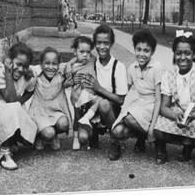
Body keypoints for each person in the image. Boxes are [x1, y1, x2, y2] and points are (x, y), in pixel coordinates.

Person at [154, 31, 195, 169]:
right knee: (158, 124)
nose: (182, 57)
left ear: (194, 54)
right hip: (179, 110)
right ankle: (174, 147)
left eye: (187, 53)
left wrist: (193, 115)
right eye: (178, 53)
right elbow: (164, 106)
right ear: (174, 54)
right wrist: (174, 115)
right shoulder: (169, 75)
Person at [77, 24, 128, 160]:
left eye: (106, 43)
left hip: (112, 109)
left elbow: (121, 99)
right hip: (93, 106)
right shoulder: (92, 63)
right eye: (99, 43)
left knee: (104, 104)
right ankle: (92, 133)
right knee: (83, 137)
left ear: (111, 44)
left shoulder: (118, 66)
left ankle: (114, 141)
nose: (102, 47)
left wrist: (99, 89)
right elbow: (74, 62)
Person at [111, 29, 163, 157]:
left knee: (129, 118)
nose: (142, 54)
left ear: (152, 52)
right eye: (139, 49)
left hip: (153, 105)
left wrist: (151, 128)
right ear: (134, 49)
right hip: (139, 103)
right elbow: (123, 92)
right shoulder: (132, 68)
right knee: (117, 131)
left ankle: (153, 138)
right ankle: (141, 136)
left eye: (146, 51)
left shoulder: (157, 67)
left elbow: (158, 99)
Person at [0, 42, 37, 170]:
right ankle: (3, 152)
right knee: (11, 108)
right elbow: (9, 99)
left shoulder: (28, 75)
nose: (21, 69)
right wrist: (7, 72)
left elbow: (30, 91)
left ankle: (13, 140)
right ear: (10, 61)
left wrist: (20, 102)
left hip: (14, 107)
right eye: (18, 64)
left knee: (17, 111)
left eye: (25, 66)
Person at [63, 36, 103, 150]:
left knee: (99, 102)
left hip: (91, 95)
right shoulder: (71, 67)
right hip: (78, 96)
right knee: (77, 116)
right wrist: (70, 67)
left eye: (88, 52)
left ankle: (91, 130)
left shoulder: (92, 60)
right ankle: (75, 137)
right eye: (81, 52)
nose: (85, 55)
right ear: (75, 51)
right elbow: (65, 83)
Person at [29, 47, 71, 150]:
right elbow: (28, 67)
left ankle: (55, 135)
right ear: (41, 64)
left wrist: (69, 64)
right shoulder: (36, 76)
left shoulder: (60, 75)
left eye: (54, 63)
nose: (51, 67)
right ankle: (39, 136)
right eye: (47, 63)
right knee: (48, 133)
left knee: (64, 124)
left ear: (58, 64)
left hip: (55, 112)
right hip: (40, 113)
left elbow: (72, 63)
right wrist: (39, 69)